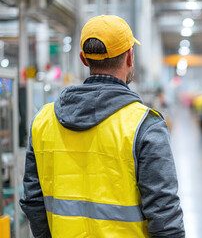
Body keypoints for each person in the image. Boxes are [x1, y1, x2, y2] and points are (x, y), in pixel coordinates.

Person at [19, 15, 185, 238]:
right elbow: (165, 217)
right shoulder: (145, 125)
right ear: (130, 56)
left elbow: (33, 202)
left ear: (84, 59)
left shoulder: (42, 121)